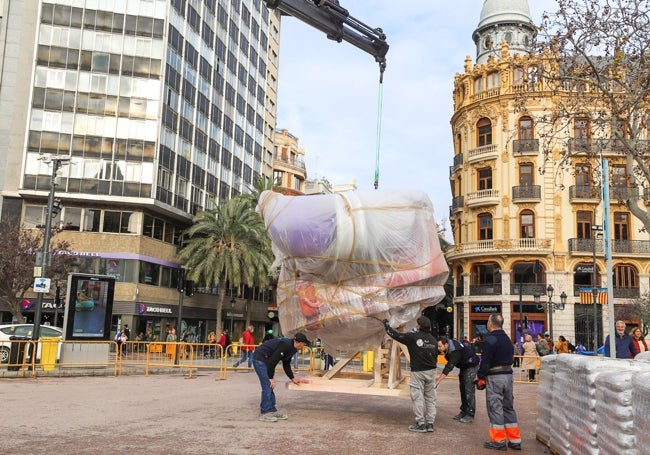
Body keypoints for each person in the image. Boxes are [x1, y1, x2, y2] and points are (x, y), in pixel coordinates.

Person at [383, 316, 438, 433]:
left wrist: (386, 325)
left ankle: (421, 424)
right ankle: (430, 424)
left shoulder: (413, 337)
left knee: (417, 397)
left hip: (418, 372)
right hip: (431, 372)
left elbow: (396, 336)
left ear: (419, 326)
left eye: (417, 324)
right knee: (430, 399)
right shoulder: (433, 340)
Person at [476, 313, 522, 451]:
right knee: (508, 407)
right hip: (508, 376)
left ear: (490, 323)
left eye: (488, 320)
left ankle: (499, 440)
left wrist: (480, 376)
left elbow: (485, 362)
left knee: (495, 407)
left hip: (495, 377)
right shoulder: (507, 339)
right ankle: (515, 440)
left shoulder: (490, 340)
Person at [252, 332, 311, 422]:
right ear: (299, 343)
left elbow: (286, 363)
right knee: (268, 384)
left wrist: (292, 378)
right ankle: (265, 412)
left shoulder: (293, 348)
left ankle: (271, 410)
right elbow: (273, 361)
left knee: (270, 385)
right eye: (304, 344)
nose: (304, 346)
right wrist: (270, 377)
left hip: (267, 360)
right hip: (260, 358)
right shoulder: (286, 345)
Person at [436, 335, 480, 423]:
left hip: (471, 365)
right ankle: (464, 411)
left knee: (468, 389)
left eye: (440, 346)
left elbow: (449, 367)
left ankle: (470, 414)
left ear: (446, 345)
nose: (439, 348)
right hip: (464, 366)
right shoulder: (448, 346)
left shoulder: (455, 351)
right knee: (462, 388)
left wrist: (438, 381)